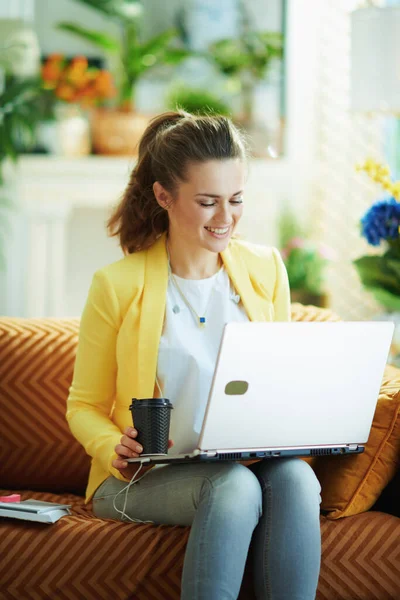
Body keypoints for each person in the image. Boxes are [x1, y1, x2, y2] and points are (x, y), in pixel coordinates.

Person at [66, 110, 322, 600]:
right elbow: (82, 406)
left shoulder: (265, 269)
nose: (226, 218)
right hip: (142, 478)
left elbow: (281, 380)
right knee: (231, 487)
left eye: (236, 199)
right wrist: (111, 446)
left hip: (241, 463)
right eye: (207, 202)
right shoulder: (116, 286)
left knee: (293, 478)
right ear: (165, 196)